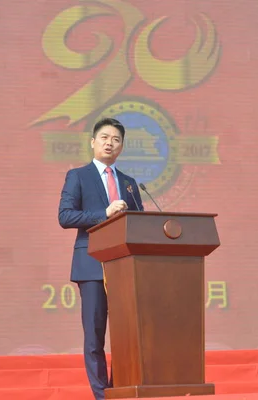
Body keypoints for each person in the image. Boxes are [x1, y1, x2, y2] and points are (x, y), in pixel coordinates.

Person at [58, 117, 144, 399]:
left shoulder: (130, 184)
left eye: (116, 139)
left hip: (124, 268)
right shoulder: (78, 176)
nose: (110, 143)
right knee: (95, 336)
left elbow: (140, 224)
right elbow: (65, 216)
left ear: (121, 147)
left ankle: (120, 388)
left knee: (124, 336)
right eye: (105, 137)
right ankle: (101, 394)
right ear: (92, 142)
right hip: (92, 264)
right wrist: (103, 214)